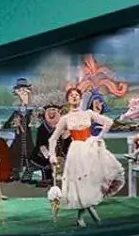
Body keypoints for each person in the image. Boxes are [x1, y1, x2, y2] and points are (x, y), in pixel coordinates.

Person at [49, 89, 121, 227]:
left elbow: (108, 122)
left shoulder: (88, 113)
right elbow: (53, 138)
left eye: (76, 95)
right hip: (76, 152)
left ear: (81, 98)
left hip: (90, 148)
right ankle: (87, 216)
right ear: (68, 100)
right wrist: (52, 155)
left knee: (92, 182)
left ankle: (87, 215)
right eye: (71, 96)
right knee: (81, 184)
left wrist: (98, 137)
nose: (74, 97)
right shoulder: (65, 118)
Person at [7, 78, 37, 182]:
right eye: (20, 90)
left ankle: (29, 171)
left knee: (31, 151)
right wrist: (14, 123)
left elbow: (38, 122)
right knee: (15, 151)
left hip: (30, 136)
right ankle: (16, 171)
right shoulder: (15, 109)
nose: (22, 93)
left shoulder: (34, 107)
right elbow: (8, 124)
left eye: (24, 90)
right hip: (18, 137)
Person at [33, 105, 62, 185]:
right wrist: (48, 154)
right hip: (44, 151)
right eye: (49, 110)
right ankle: (47, 178)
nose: (51, 112)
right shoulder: (42, 127)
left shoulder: (61, 125)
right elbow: (40, 144)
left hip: (59, 150)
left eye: (53, 110)